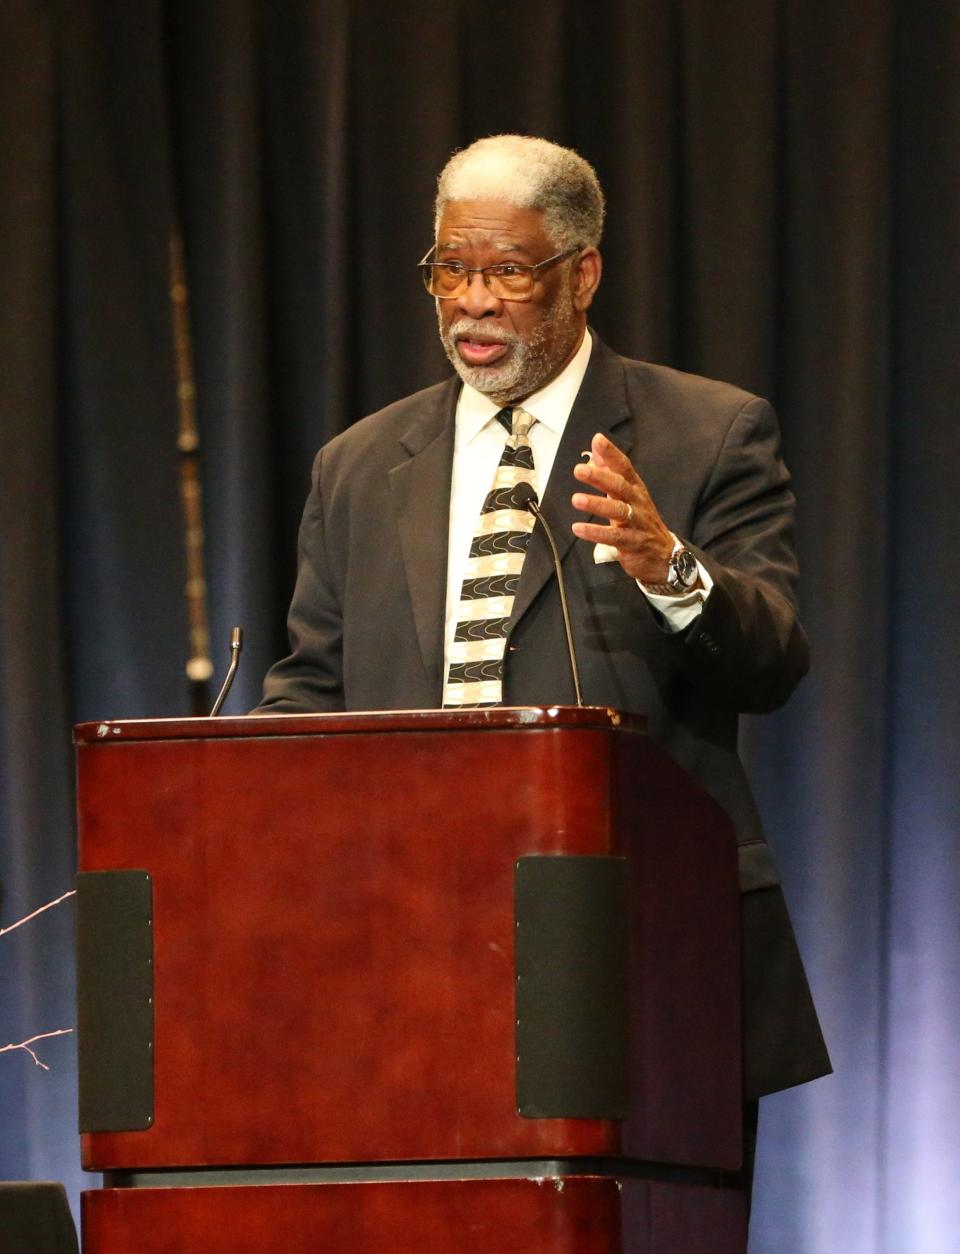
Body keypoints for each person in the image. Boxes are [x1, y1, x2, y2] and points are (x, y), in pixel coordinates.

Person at [259, 135, 830, 1124]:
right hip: (407, 951)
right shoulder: (355, 466)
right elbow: (312, 689)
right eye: (451, 268)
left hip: (641, 949)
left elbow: (773, 654)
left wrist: (670, 567)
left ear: (583, 273)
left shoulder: (709, 432)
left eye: (508, 271)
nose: (472, 302)